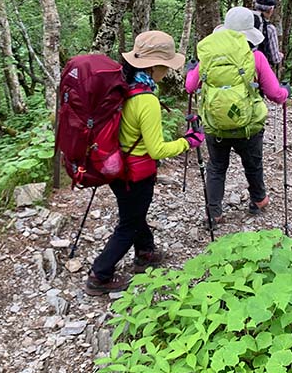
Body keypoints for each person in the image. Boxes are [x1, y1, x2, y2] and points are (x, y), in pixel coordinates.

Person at [86, 30, 205, 296]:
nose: (167, 69)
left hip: (115, 167)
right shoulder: (146, 99)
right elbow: (156, 149)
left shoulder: (123, 87)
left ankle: (145, 252)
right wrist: (189, 141)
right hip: (136, 173)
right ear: (155, 66)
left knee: (134, 214)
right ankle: (100, 274)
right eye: (166, 64)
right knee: (128, 223)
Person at [185, 7, 289, 226]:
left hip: (215, 124)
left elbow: (190, 86)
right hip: (248, 126)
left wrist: (192, 70)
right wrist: (286, 92)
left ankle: (214, 213)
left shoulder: (209, 59)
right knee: (253, 164)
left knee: (216, 167)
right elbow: (275, 94)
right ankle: (258, 200)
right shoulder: (256, 57)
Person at [252, 0, 283, 69]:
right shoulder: (270, 29)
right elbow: (275, 58)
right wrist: (280, 55)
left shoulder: (244, 21)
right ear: (271, 10)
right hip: (259, 68)